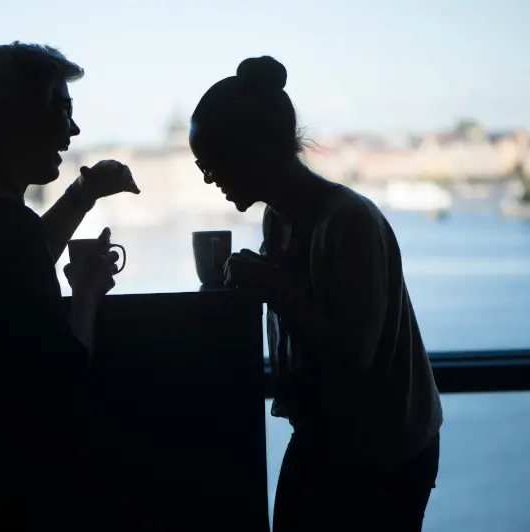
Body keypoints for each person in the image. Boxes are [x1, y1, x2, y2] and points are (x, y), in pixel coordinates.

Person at [189, 56, 443, 531]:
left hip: (382, 453)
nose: (208, 177)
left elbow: (352, 360)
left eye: (211, 163)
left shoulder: (349, 222)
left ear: (254, 151)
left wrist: (274, 287)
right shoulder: (280, 218)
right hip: (331, 436)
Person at [0, 42, 140, 528]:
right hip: (22, 480)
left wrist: (82, 194)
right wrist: (86, 292)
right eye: (61, 111)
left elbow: (25, 251)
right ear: (17, 121)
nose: (73, 129)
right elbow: (67, 378)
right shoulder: (6, 227)